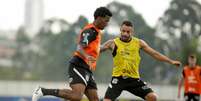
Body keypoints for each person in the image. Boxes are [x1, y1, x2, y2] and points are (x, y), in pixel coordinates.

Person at [32, 7, 112, 101]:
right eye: (106, 21)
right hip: (78, 65)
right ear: (99, 18)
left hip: (88, 69)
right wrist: (87, 57)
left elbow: (95, 49)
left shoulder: (97, 32)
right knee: (77, 96)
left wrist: (107, 45)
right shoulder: (90, 31)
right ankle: (42, 91)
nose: (107, 24)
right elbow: (79, 47)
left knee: (94, 99)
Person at [100, 20, 181, 101]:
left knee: (152, 97)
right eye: (123, 31)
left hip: (134, 79)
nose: (125, 34)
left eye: (128, 32)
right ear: (120, 30)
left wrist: (171, 61)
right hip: (118, 79)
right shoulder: (113, 43)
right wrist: (89, 53)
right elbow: (98, 49)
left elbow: (154, 53)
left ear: (132, 32)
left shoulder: (139, 43)